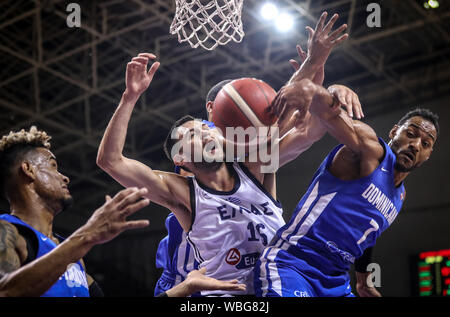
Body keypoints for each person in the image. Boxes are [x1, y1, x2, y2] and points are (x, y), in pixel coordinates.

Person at [254, 74, 439, 296]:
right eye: (411, 134)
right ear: (393, 132)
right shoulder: (371, 151)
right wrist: (327, 89)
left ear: (427, 156)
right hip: (294, 264)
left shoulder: (399, 196)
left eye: (425, 144)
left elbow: (368, 236)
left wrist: (363, 280)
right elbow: (328, 114)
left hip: (336, 282)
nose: (416, 145)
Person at [0, 126, 150, 297]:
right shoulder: (7, 231)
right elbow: (5, 291)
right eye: (53, 166)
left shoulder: (72, 254)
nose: (65, 177)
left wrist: (183, 288)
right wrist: (86, 235)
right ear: (28, 170)